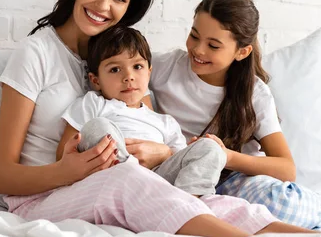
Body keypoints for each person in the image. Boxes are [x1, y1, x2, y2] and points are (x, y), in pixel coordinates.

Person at [0, 0, 315, 237]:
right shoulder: (36, 54)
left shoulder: (124, 62)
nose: (103, 5)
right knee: (128, 180)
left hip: (118, 182)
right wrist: (63, 171)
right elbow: (2, 177)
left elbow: (151, 132)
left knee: (199, 195)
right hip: (42, 200)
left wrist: (165, 154)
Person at [145, 0, 321, 230]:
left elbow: (286, 168)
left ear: (241, 52)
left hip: (236, 180)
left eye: (213, 45)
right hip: (187, 179)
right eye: (194, 35)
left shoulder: (255, 93)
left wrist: (227, 156)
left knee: (277, 203)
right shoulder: (164, 68)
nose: (198, 50)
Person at [57, 25, 226, 196]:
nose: (128, 76)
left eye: (137, 67)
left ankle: (188, 202)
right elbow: (64, 153)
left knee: (210, 147)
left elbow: (181, 160)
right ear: (96, 80)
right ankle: (132, 183)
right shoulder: (93, 103)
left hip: (159, 180)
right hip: (115, 180)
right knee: (97, 126)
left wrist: (165, 154)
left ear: (149, 72)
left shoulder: (165, 122)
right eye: (115, 69)